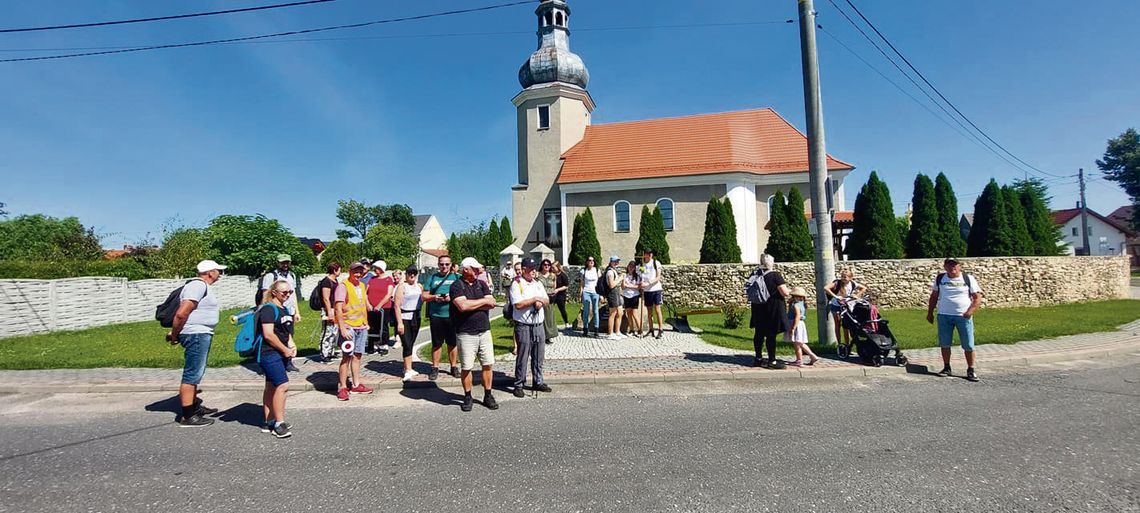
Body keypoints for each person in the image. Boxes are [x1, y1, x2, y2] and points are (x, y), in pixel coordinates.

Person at [166, 259, 226, 427]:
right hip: (196, 334)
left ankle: (194, 406)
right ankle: (188, 416)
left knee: (196, 372)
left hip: (200, 333)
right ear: (210, 272)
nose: (219, 274)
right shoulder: (197, 286)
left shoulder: (201, 286)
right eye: (218, 271)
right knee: (192, 373)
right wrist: (175, 334)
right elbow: (181, 313)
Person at [449, 257, 500, 412]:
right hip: (465, 333)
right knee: (467, 367)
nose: (479, 271)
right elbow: (462, 306)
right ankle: (467, 396)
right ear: (466, 270)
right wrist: (481, 303)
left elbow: (491, 302)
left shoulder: (482, 284)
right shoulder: (457, 286)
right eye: (475, 268)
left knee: (487, 364)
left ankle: (488, 395)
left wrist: (475, 303)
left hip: (484, 330)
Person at [927, 258, 983, 382]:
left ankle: (971, 369)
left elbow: (977, 297)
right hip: (944, 315)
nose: (952, 267)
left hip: (962, 316)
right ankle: (946, 367)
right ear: (945, 267)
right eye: (949, 265)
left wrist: (969, 312)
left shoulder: (968, 279)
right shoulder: (940, 278)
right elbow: (934, 296)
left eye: (954, 265)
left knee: (968, 344)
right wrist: (930, 312)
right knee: (945, 343)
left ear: (959, 266)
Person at [257, 280, 298, 438]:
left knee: (271, 386)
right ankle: (279, 423)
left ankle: (269, 421)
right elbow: (268, 334)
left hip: (279, 352)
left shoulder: (284, 308)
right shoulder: (268, 309)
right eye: (284, 292)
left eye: (290, 292)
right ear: (274, 292)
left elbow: (285, 331)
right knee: (282, 385)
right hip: (269, 353)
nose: (287, 295)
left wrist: (291, 344)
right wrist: (284, 349)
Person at [511, 257, 552, 397]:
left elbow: (547, 299)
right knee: (523, 355)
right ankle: (519, 383)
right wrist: (534, 300)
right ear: (523, 270)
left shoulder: (537, 283)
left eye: (535, 268)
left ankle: (538, 381)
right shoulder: (517, 284)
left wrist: (541, 301)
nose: (534, 271)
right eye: (531, 269)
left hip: (538, 324)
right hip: (523, 325)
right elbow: (518, 304)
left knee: (538, 355)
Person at [335, 262, 374, 401]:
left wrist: (366, 323)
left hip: (361, 326)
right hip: (348, 327)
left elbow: (363, 305)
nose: (358, 274)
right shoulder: (343, 286)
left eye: (361, 272)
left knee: (357, 356)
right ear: (350, 271)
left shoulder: (362, 286)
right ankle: (343, 387)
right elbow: (338, 308)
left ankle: (356, 385)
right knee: (346, 357)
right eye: (356, 272)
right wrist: (342, 328)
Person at [258, 254, 301, 371]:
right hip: (275, 312)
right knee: (273, 335)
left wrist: (297, 311)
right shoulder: (271, 276)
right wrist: (264, 309)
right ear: (278, 263)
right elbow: (265, 294)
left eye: (287, 262)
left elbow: (294, 295)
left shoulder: (292, 275)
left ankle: (288, 361)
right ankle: (272, 361)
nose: (285, 265)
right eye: (283, 262)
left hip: (288, 311)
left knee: (288, 335)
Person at [746, 254, 790, 369]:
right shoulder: (775, 275)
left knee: (759, 333)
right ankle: (772, 361)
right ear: (771, 263)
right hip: (772, 308)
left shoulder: (755, 274)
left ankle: (758, 358)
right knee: (771, 335)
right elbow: (784, 292)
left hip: (757, 307)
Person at [422, 255, 461, 380]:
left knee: (452, 343)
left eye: (447, 264)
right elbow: (424, 296)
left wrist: (452, 297)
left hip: (452, 315)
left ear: (451, 265)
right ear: (438, 265)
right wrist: (435, 297)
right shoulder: (432, 278)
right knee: (437, 343)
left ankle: (454, 366)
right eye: (442, 264)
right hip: (436, 315)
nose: (444, 267)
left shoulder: (457, 277)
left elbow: (464, 293)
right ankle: (435, 367)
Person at [394, 266, 423, 381]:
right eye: (410, 273)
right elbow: (396, 306)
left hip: (416, 316)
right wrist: (399, 323)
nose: (412, 276)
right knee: (406, 343)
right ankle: (407, 370)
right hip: (405, 317)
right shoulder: (402, 287)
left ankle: (408, 367)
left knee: (411, 342)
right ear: (406, 274)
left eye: (414, 273)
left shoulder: (419, 286)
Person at [825, 268, 867, 348]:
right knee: (837, 324)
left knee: (846, 325)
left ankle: (847, 344)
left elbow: (864, 288)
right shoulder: (837, 283)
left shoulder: (852, 284)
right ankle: (839, 344)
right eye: (842, 276)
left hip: (846, 305)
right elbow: (826, 288)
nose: (843, 278)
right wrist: (836, 296)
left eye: (845, 277)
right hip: (836, 305)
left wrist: (857, 295)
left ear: (850, 278)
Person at [365, 260, 395, 355]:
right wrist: (368, 304)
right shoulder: (372, 279)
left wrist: (379, 305)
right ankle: (372, 344)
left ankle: (383, 344)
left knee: (383, 326)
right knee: (372, 326)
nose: (375, 270)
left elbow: (388, 294)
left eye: (377, 268)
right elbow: (365, 292)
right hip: (371, 307)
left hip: (383, 308)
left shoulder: (388, 279)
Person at [784, 287, 819, 367]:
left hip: (796, 323)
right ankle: (807, 357)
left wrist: (793, 328)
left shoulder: (796, 306)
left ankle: (801, 359)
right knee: (799, 343)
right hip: (799, 323)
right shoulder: (801, 304)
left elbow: (797, 316)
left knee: (797, 343)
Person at [315, 262, 343, 363]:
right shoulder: (326, 282)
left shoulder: (335, 280)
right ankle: (324, 354)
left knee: (334, 332)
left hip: (335, 309)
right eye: (339, 270)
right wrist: (329, 312)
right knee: (327, 332)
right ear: (334, 270)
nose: (340, 272)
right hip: (328, 309)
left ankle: (331, 352)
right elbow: (326, 298)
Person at [639, 249, 666, 339]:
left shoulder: (656, 263)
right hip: (647, 291)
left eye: (650, 253)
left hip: (656, 289)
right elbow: (641, 276)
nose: (649, 255)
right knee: (649, 311)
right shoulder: (642, 264)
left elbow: (658, 277)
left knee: (657, 309)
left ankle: (660, 329)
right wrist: (641, 283)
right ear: (644, 254)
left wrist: (649, 283)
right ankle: (651, 329)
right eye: (647, 253)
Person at [537, 259, 560, 342]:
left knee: (549, 317)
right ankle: (541, 335)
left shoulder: (553, 275)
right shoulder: (537, 275)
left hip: (550, 298)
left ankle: (548, 335)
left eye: (548, 265)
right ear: (542, 265)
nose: (546, 266)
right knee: (540, 317)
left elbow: (554, 286)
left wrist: (553, 293)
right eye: (545, 264)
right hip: (540, 297)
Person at [579, 256, 601, 337]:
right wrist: (581, 293)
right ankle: (585, 328)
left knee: (595, 310)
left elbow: (600, 283)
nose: (591, 262)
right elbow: (582, 283)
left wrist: (601, 294)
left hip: (595, 292)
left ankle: (596, 329)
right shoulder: (584, 271)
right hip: (586, 291)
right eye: (589, 260)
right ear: (587, 262)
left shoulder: (597, 270)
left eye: (593, 260)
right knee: (586, 311)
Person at [604, 255, 625, 340]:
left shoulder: (614, 270)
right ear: (611, 262)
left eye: (617, 261)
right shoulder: (610, 272)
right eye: (615, 261)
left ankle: (617, 331)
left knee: (620, 312)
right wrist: (620, 278)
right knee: (613, 313)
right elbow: (611, 285)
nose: (617, 263)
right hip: (612, 294)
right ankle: (610, 333)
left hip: (617, 293)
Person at [621, 261, 643, 338]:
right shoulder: (625, 276)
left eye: (633, 267)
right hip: (626, 296)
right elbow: (623, 287)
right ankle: (631, 329)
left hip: (634, 296)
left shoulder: (637, 276)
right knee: (629, 313)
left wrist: (628, 285)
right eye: (630, 266)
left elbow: (638, 287)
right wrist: (625, 283)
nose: (631, 268)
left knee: (634, 313)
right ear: (628, 267)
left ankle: (640, 329)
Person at [551, 261, 570, 327]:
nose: (552, 269)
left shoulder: (563, 275)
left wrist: (558, 290)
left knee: (562, 309)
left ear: (558, 267)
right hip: (552, 294)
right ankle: (551, 323)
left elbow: (566, 286)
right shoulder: (551, 275)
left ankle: (566, 322)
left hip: (561, 295)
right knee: (550, 309)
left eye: (553, 267)